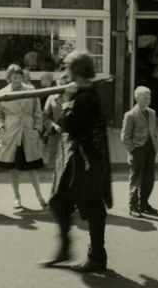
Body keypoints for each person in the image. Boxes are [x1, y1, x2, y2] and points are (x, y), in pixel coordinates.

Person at [44, 50, 113, 273]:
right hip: (78, 157)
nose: (65, 71)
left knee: (91, 206)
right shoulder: (84, 93)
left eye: (68, 67)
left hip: (86, 159)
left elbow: (68, 125)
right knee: (58, 201)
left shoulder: (85, 97)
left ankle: (97, 257)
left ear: (77, 71)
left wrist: (66, 100)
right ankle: (65, 249)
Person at [0, 64, 48, 209]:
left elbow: (37, 112)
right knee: (13, 167)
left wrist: (37, 127)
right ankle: (17, 198)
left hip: (27, 132)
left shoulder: (30, 91)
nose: (17, 79)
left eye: (19, 76)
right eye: (14, 76)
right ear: (8, 77)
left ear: (23, 77)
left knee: (31, 167)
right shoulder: (2, 92)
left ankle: (40, 197)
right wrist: (0, 127)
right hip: (11, 133)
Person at [121, 86, 158, 218]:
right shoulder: (130, 115)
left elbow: (152, 130)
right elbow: (125, 136)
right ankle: (133, 206)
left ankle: (144, 203)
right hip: (138, 149)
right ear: (137, 98)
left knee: (149, 178)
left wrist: (155, 143)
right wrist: (133, 149)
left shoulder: (152, 113)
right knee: (136, 178)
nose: (148, 100)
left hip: (150, 148)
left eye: (149, 98)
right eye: (144, 98)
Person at [42, 74, 69, 170]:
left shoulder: (74, 98)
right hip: (55, 136)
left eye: (62, 84)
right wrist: (53, 126)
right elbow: (45, 116)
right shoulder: (51, 98)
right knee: (55, 167)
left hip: (69, 136)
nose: (59, 87)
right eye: (58, 84)